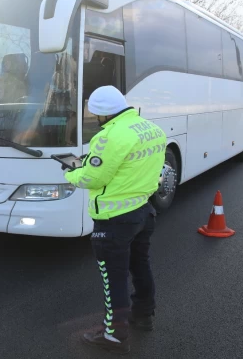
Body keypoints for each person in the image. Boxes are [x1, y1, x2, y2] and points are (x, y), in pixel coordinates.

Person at [63, 86, 166, 354]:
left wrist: (70, 172)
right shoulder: (151, 129)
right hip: (144, 212)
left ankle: (115, 334)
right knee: (140, 266)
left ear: (101, 115)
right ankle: (144, 315)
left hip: (114, 220)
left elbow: (91, 178)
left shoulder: (108, 137)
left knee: (114, 278)